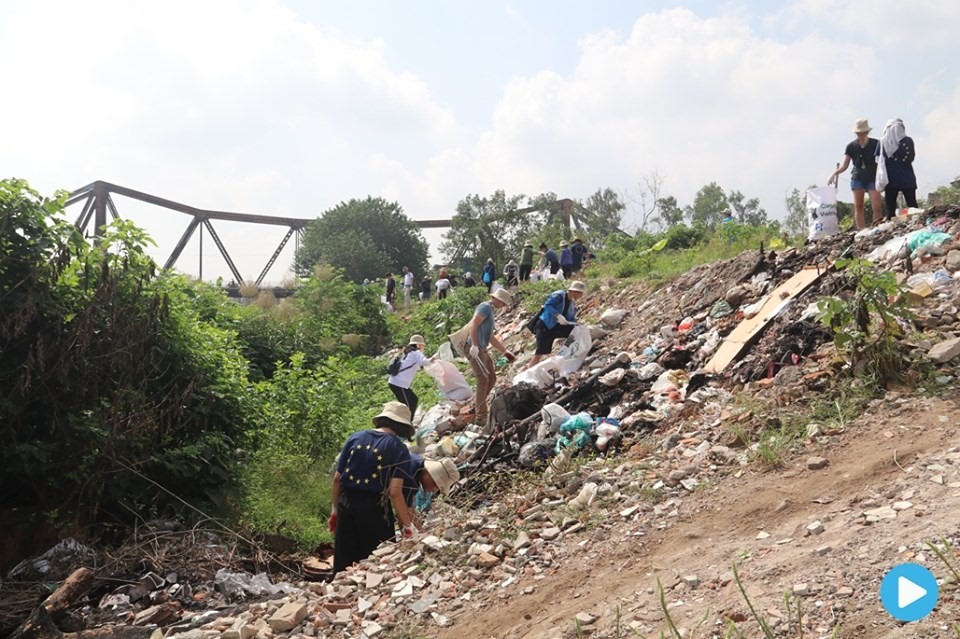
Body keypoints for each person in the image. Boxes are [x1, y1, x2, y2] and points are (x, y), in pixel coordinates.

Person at [329, 402, 417, 574]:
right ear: (402, 427)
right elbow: (394, 491)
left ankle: (336, 596)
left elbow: (337, 480)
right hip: (375, 509)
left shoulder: (355, 437)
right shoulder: (398, 449)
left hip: (346, 504)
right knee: (377, 564)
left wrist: (334, 511)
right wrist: (408, 525)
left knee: (343, 565)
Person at [461, 288, 516, 425]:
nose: (502, 306)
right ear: (496, 299)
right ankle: (481, 416)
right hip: (475, 348)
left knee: (492, 377)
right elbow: (474, 324)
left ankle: (477, 406)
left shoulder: (490, 311)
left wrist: (505, 351)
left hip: (482, 348)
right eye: (502, 303)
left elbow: (490, 337)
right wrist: (474, 345)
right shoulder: (485, 307)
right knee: (483, 379)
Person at [828, 119, 882, 230]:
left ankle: (877, 229)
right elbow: (845, 165)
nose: (860, 135)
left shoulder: (876, 144)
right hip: (858, 177)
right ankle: (861, 231)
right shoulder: (851, 146)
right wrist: (834, 174)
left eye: (862, 133)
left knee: (876, 207)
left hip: (872, 177)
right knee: (859, 206)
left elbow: (882, 161)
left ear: (867, 132)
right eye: (858, 133)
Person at [528, 280, 587, 367]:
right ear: (574, 291)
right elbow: (547, 305)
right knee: (540, 352)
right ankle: (529, 372)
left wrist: (576, 324)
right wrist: (557, 315)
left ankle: (568, 352)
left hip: (556, 327)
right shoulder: (559, 295)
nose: (581, 295)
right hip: (545, 325)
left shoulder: (571, 304)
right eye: (579, 293)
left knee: (574, 331)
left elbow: (570, 318)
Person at [876, 118, 918, 221]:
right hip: (907, 179)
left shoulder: (882, 142)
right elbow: (911, 158)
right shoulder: (908, 141)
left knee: (890, 212)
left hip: (890, 180)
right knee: (914, 208)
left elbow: (877, 159)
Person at [388, 335, 429, 419]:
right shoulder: (416, 353)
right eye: (421, 345)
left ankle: (407, 422)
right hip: (399, 384)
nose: (422, 347)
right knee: (407, 406)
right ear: (418, 345)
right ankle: (405, 424)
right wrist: (436, 358)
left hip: (397, 383)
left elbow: (415, 367)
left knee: (414, 399)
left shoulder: (408, 353)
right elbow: (425, 362)